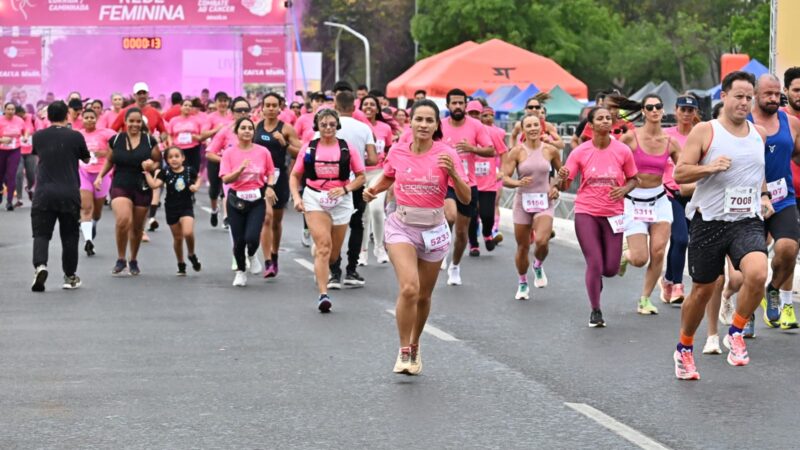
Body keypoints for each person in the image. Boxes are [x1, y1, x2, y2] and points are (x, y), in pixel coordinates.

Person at [672, 71, 771, 380]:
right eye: (738, 96)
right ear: (724, 97)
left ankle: (736, 331)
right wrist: (709, 167)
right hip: (708, 221)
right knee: (702, 291)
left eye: (748, 97)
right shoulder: (705, 131)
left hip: (746, 220)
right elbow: (679, 174)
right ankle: (684, 348)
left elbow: (756, 172)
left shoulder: (758, 133)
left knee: (757, 272)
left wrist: (764, 195)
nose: (744, 102)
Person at [363, 99, 470, 375]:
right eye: (419, 119)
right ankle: (403, 350)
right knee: (409, 288)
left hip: (434, 230)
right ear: (410, 121)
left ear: (437, 125)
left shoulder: (446, 153)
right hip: (402, 225)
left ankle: (415, 343)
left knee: (423, 295)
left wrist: (454, 174)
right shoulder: (398, 150)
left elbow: (466, 196)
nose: (423, 125)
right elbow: (388, 176)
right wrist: (373, 190)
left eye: (429, 120)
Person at [558, 107, 638, 327]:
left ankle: (598, 278)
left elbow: (633, 178)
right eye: (600, 118)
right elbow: (566, 183)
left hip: (613, 214)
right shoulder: (580, 152)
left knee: (610, 268)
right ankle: (595, 310)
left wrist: (624, 190)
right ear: (590, 125)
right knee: (594, 262)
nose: (605, 121)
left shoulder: (622, 150)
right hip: (587, 212)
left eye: (607, 118)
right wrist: (561, 178)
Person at [289, 108, 366, 311]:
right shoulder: (308, 148)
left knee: (332, 254)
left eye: (332, 124)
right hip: (315, 197)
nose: (328, 128)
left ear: (337, 125)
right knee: (324, 246)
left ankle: (324, 258)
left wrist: (345, 189)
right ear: (317, 126)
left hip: (341, 200)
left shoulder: (347, 148)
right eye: (324, 124)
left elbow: (361, 176)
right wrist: (297, 198)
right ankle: (323, 295)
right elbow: (295, 176)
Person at [617, 95, 681, 315]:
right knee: (639, 258)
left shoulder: (670, 142)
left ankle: (645, 299)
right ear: (643, 111)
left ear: (663, 111)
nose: (655, 110)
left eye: (658, 106)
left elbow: (684, 168)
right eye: (650, 107)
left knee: (659, 251)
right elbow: (612, 159)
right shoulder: (630, 138)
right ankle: (625, 256)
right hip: (634, 201)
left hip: (660, 200)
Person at [748, 74, 800, 331]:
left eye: (776, 93)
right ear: (755, 94)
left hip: (782, 198)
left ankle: (774, 289)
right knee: (751, 263)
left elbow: (798, 155)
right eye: (767, 94)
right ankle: (746, 315)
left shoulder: (790, 122)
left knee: (789, 249)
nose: (773, 98)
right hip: (749, 201)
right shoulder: (742, 122)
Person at [30, 100, 91, 291]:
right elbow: (86, 158)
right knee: (69, 236)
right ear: (67, 115)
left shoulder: (38, 137)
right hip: (69, 192)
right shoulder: (75, 136)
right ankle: (70, 276)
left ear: (48, 117)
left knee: (41, 234)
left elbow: (37, 154)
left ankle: (40, 266)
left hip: (44, 193)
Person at [95, 107, 162, 275]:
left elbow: (158, 162)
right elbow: (110, 160)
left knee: (138, 227)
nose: (134, 124)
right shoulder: (116, 139)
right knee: (123, 220)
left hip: (141, 185)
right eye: (131, 121)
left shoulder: (149, 141)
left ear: (142, 123)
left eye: (138, 121)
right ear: (125, 122)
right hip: (121, 182)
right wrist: (100, 176)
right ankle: (120, 258)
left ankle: (133, 259)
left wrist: (150, 166)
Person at [440, 89, 495, 285]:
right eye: (453, 103)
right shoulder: (440, 126)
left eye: (460, 103)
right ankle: (442, 250)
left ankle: (455, 265)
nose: (457, 106)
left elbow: (491, 150)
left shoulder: (476, 126)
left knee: (462, 233)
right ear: (447, 106)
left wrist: (473, 149)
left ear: (465, 104)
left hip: (467, 184)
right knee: (449, 216)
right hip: (445, 182)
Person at [504, 115, 561, 299]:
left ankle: (537, 265)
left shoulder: (551, 150)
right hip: (523, 202)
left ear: (541, 127)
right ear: (523, 129)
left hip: (544, 201)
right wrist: (517, 183)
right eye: (528, 125)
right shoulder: (517, 152)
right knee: (522, 247)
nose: (533, 128)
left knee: (542, 241)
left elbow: (562, 173)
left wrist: (556, 187)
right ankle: (522, 282)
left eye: (536, 125)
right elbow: (504, 177)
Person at [324, 92, 376, 286]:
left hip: (329, 183)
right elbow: (373, 159)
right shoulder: (364, 128)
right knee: (356, 224)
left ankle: (334, 271)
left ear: (335, 107)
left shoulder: (327, 126)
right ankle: (351, 270)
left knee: (332, 226)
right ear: (354, 108)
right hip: (355, 182)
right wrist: (357, 159)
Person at [220, 117, 276, 287]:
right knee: (239, 241)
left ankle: (252, 255)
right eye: (243, 128)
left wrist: (270, 186)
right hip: (236, 200)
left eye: (250, 128)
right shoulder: (229, 153)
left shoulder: (263, 151)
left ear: (254, 132)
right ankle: (241, 272)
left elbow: (270, 171)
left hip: (256, 199)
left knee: (252, 236)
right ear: (236, 132)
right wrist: (240, 170)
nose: (246, 131)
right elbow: (226, 179)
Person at [253, 92, 301, 278]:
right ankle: (267, 262)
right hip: (259, 178)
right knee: (266, 217)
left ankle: (274, 255)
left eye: (274, 105)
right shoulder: (256, 127)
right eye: (268, 105)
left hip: (279, 177)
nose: (271, 108)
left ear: (280, 108)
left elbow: (300, 153)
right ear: (262, 108)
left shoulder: (287, 129)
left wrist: (285, 144)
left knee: (276, 222)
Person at [660, 95, 700, 306]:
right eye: (683, 109)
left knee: (681, 240)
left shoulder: (700, 134)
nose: (686, 114)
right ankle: (677, 284)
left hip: (694, 194)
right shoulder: (666, 136)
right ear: (675, 110)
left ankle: (667, 279)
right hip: (670, 193)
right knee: (681, 239)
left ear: (695, 113)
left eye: (690, 110)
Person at [143, 146, 203, 276]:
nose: (174, 159)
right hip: (171, 208)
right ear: (167, 160)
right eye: (170, 157)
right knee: (177, 238)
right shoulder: (164, 173)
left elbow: (198, 178)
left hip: (186, 206)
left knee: (188, 232)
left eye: (177, 156)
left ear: (183, 158)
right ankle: (181, 263)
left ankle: (191, 254)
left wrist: (196, 186)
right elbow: (154, 185)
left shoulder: (188, 170)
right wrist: (147, 173)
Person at [205, 97, 254, 229]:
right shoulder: (225, 130)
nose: (243, 113)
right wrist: (226, 161)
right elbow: (209, 153)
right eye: (239, 110)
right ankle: (216, 211)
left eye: (246, 110)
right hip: (226, 168)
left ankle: (231, 218)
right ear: (232, 113)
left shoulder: (256, 129)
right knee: (215, 190)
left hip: (250, 173)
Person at [358, 94, 392, 266]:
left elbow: (390, 149)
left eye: (372, 104)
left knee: (377, 209)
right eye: (366, 104)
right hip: (360, 174)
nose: (369, 107)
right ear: (361, 107)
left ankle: (379, 248)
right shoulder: (357, 127)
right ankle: (362, 252)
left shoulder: (385, 128)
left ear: (378, 109)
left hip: (379, 173)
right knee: (363, 214)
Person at [77, 108, 115, 256]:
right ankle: (88, 241)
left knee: (97, 212)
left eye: (92, 117)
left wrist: (104, 153)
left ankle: (93, 224)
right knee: (86, 208)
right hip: (83, 173)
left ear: (97, 118)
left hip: (102, 174)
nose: (89, 120)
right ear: (82, 119)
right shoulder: (77, 135)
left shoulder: (106, 133)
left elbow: (116, 148)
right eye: (86, 117)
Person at [0, 101, 28, 210]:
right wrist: (2, 140)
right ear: (5, 110)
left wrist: (25, 136)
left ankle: (9, 201)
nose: (11, 111)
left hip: (15, 150)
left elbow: (26, 130)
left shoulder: (19, 120)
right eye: (8, 109)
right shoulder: (0, 120)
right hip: (1, 150)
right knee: (1, 175)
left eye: (13, 109)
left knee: (12, 175)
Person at [165, 99, 204, 175]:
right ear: (181, 107)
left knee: (193, 173)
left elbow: (202, 135)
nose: (187, 107)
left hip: (193, 149)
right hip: (178, 150)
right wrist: (170, 145)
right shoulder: (173, 120)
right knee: (179, 173)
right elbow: (169, 135)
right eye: (185, 105)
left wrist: (196, 137)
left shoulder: (197, 120)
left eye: (190, 106)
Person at [14, 105, 36, 207]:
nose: (21, 118)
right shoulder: (14, 121)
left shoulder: (32, 118)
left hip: (31, 151)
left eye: (22, 116)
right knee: (18, 174)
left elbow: (40, 131)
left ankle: (29, 188)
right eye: (18, 117)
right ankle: (19, 198)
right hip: (17, 151)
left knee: (31, 175)